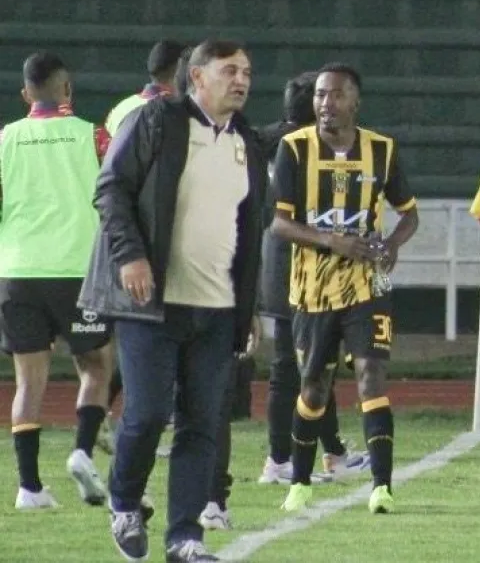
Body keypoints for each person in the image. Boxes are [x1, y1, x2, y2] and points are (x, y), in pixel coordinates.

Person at [78, 39, 267, 563]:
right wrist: (130, 257)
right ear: (197, 77)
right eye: (230, 70)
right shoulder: (155, 121)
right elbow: (111, 190)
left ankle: (185, 536)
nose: (242, 79)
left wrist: (247, 304)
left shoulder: (245, 143)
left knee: (203, 422)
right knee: (148, 412)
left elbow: (248, 230)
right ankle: (124, 502)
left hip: (217, 307)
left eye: (247, 71)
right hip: (150, 303)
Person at [198, 72, 371, 532]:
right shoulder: (303, 147)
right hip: (297, 264)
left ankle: (325, 452)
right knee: (298, 365)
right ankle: (283, 457)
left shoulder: (261, 141)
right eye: (322, 96)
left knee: (306, 363)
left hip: (270, 263)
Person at [270, 63, 419, 514]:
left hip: (366, 285)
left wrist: (391, 243)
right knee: (314, 386)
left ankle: (382, 487)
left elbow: (409, 212)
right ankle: (299, 480)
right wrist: (332, 240)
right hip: (312, 289)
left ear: (355, 102)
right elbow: (278, 223)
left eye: (335, 96)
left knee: (371, 374)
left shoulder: (382, 151)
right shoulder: (293, 150)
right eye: (319, 95)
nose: (325, 104)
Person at [0, 52, 114, 510]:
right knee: (97, 366)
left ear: (26, 94)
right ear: (68, 90)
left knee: (28, 382)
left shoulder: (5, 138)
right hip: (76, 270)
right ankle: (83, 451)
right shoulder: (93, 137)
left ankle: (28, 488)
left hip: (17, 271)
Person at [98, 39, 187, 456]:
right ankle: (138, 422)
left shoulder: (121, 109)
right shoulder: (164, 115)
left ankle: (110, 417)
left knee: (136, 346)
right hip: (146, 243)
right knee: (150, 343)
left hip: (124, 239)